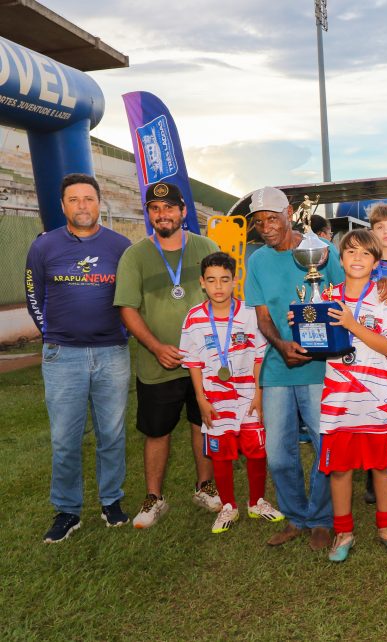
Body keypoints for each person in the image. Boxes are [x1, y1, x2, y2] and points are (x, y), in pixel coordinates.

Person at [25, 173, 132, 543]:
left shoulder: (120, 246)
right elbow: (33, 296)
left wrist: (124, 334)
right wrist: (52, 334)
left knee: (112, 434)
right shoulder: (43, 246)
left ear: (100, 202)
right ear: (63, 205)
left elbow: (131, 299)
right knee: (65, 439)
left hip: (112, 353)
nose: (82, 205)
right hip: (62, 355)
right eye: (74, 199)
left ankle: (111, 501)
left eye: (88, 198)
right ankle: (68, 511)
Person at [115, 181, 222, 528]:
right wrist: (156, 347)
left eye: (169, 208)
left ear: (182, 212)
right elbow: (128, 309)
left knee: (202, 424)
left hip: (203, 363)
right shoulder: (135, 255)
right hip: (158, 364)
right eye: (155, 209)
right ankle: (154, 497)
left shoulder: (206, 247)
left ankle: (205, 486)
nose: (163, 215)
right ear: (149, 214)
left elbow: (223, 298)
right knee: (156, 431)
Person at [245, 186, 344, 549]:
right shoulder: (257, 261)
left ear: (289, 213)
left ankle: (319, 518)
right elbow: (263, 316)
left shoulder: (321, 250)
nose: (266, 228)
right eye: (259, 223)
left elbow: (346, 294)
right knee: (278, 451)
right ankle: (294, 515)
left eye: (272, 218)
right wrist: (282, 346)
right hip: (278, 367)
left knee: (324, 446)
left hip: (321, 367)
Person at [319, 230, 387, 562]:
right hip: (337, 396)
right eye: (351, 252)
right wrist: (304, 326)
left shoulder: (386, 297)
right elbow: (316, 345)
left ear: (375, 262)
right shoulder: (325, 295)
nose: (357, 258)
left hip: (377, 397)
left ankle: (386, 527)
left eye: (365, 254)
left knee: (381, 467)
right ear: (340, 259)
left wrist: (353, 324)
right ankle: (343, 533)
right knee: (340, 469)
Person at [180, 252, 284, 534]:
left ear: (235, 281)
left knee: (256, 450)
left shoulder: (249, 314)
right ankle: (228, 506)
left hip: (248, 396)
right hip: (214, 399)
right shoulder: (194, 319)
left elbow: (259, 357)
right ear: (202, 282)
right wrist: (201, 399)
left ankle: (256, 501)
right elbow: (193, 363)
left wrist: (259, 393)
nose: (218, 287)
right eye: (212, 280)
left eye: (225, 280)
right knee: (222, 454)